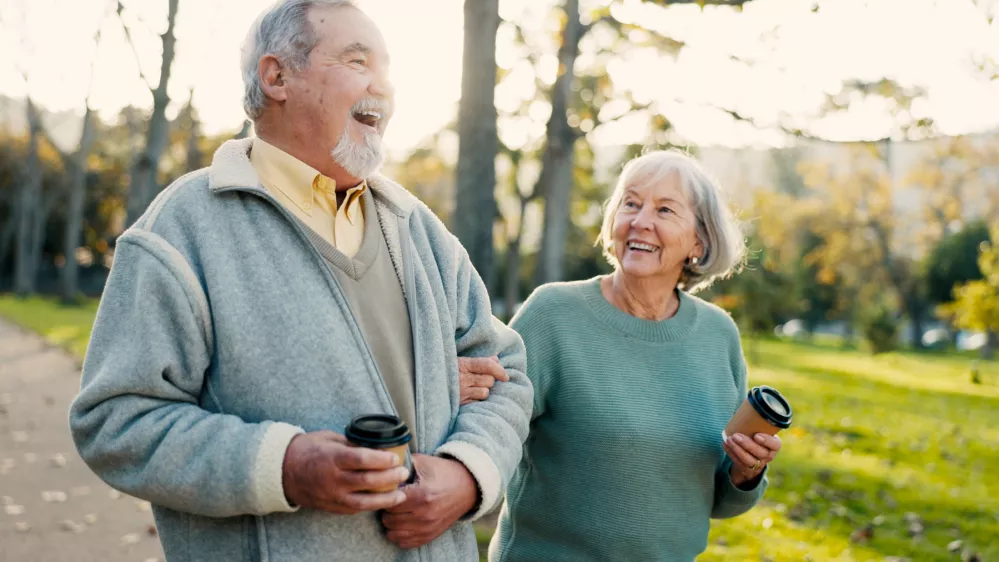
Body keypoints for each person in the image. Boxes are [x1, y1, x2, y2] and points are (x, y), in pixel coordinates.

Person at [68, 1, 532, 560]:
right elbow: (116, 421)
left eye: (387, 69)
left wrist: (466, 475)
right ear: (276, 75)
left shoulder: (418, 228)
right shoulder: (181, 229)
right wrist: (281, 466)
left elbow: (505, 377)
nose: (382, 88)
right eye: (358, 62)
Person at [465, 150, 784, 561]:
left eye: (665, 209)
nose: (640, 220)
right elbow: (485, 429)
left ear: (698, 241)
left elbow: (720, 499)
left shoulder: (718, 335)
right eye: (630, 204)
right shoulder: (554, 315)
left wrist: (746, 471)